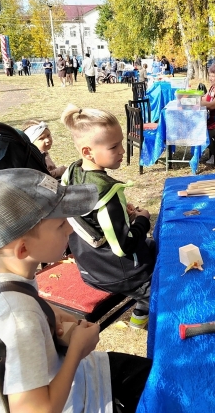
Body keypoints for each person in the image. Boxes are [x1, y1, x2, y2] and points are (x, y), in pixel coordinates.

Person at [0, 168, 152, 413]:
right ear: (22, 250)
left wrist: (52, 314)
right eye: (61, 224)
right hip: (73, 399)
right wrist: (76, 352)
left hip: (49, 377)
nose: (70, 230)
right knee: (166, 388)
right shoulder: (20, 320)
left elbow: (17, 303)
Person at [60, 105, 157, 329]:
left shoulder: (72, 172)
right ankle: (152, 313)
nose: (122, 150)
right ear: (88, 152)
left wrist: (124, 216)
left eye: (121, 142)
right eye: (114, 146)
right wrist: (142, 219)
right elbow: (125, 246)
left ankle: (138, 317)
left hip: (88, 265)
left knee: (154, 247)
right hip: (117, 273)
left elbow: (92, 220)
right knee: (165, 286)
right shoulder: (108, 194)